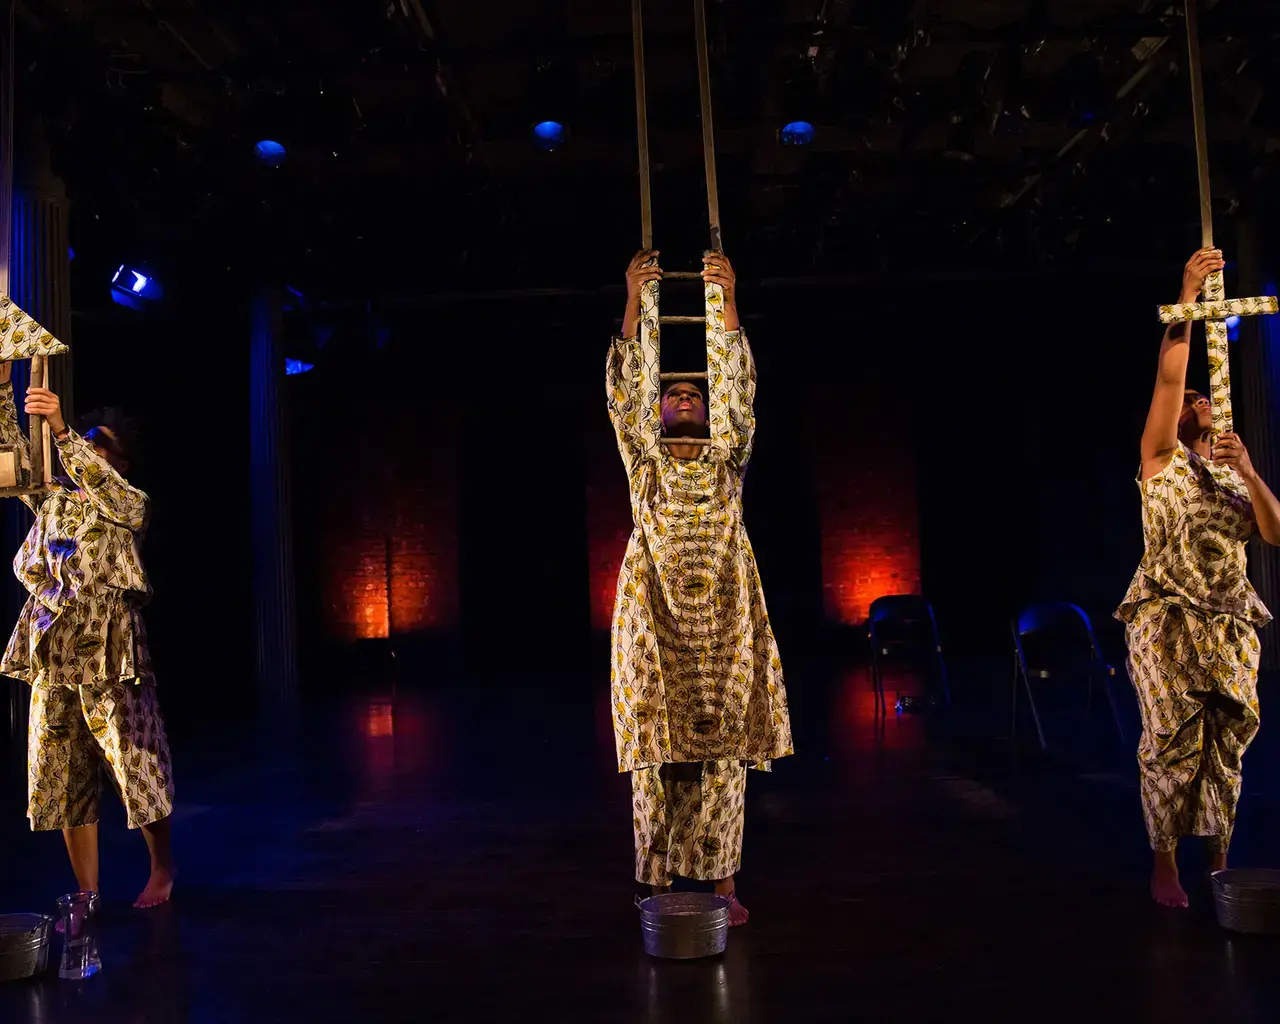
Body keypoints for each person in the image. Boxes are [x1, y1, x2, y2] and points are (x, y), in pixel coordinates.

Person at [606, 248, 793, 927]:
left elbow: (738, 390)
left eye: (694, 393)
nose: (684, 396)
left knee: (722, 756)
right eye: (673, 393)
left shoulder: (727, 456)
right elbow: (625, 393)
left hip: (721, 614)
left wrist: (725, 298)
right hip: (655, 612)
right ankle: (655, 881)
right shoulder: (645, 458)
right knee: (656, 751)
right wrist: (637, 299)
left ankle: (722, 883)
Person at [1116, 247, 1280, 908]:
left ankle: (1219, 859)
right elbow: (1168, 378)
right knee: (1170, 740)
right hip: (1167, 617)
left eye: (1203, 396)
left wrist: (1249, 472)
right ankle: (1164, 863)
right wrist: (1187, 294)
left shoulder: (1230, 476)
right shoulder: (1161, 461)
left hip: (1230, 622)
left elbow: (1275, 531)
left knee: (1226, 743)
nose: (1199, 399)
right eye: (1191, 400)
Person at [0, 362, 176, 909]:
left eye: (101, 445)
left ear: (122, 462)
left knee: (134, 761)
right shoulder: (54, 498)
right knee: (61, 771)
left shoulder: (129, 503)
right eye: (86, 441)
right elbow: (14, 462)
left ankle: (162, 868)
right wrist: (3, 390)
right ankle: (88, 891)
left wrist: (61, 429)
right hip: (53, 647)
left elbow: (102, 484)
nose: (89, 452)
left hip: (110, 647)